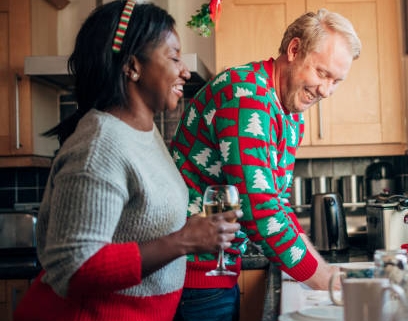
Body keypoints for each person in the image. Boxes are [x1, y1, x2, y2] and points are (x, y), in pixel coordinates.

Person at [12, 1, 241, 320]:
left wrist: (188, 233)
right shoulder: (100, 145)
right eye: (174, 57)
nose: (185, 71)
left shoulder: (142, 133)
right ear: (132, 66)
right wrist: (184, 240)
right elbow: (74, 266)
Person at [170, 8, 362, 321]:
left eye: (336, 81)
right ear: (294, 49)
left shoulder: (291, 114)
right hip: (194, 274)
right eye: (322, 73)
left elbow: (276, 205)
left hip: (218, 269)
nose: (326, 90)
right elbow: (260, 211)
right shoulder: (246, 97)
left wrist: (328, 273)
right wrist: (328, 282)